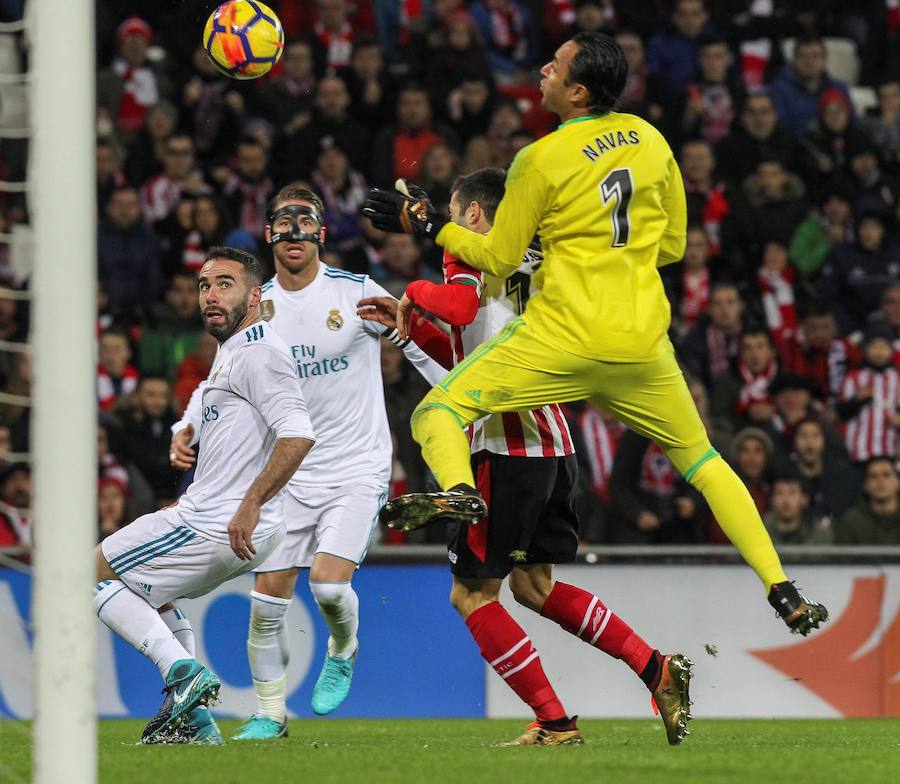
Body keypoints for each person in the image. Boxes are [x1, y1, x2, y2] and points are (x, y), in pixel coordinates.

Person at [363, 32, 828, 643]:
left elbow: (498, 261)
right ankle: (780, 585)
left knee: (437, 413)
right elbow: (674, 246)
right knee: (705, 461)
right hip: (641, 343)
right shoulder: (653, 140)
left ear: (576, 90)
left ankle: (459, 494)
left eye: (553, 66)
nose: (542, 70)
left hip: (561, 336)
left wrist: (430, 225)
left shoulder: (540, 160)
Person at [359, 169, 688, 746]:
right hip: (554, 442)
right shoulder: (535, 262)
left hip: (503, 449)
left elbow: (459, 309)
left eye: (454, 217)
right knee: (534, 586)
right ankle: (655, 668)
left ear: (475, 217)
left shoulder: (473, 255)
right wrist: (408, 333)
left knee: (471, 594)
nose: (447, 230)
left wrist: (411, 292)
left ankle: (555, 723)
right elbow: (474, 349)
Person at [171, 186, 443, 740]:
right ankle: (270, 714)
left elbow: (412, 343)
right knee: (265, 601)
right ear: (268, 233)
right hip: (286, 473)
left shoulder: (355, 292)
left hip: (356, 467)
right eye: (283, 222)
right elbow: (219, 377)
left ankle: (344, 646)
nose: (294, 232)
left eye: (305, 221)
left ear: (322, 232)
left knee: (326, 588)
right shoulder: (255, 305)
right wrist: (188, 422)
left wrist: (459, 398)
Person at [95, 247, 316, 745]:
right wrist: (191, 433)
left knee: (88, 577)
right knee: (155, 594)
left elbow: (298, 434)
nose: (210, 296)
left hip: (223, 522)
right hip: (220, 516)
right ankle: (194, 722)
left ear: (255, 296)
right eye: (203, 285)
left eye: (224, 284)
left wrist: (251, 501)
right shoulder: (231, 350)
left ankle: (184, 676)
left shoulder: (261, 352)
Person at [835, 457, 900, 545]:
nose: (880, 481)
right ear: (865, 485)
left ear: (897, 482)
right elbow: (841, 557)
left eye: (886, 475)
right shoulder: (851, 521)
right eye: (873, 476)